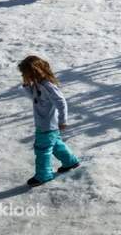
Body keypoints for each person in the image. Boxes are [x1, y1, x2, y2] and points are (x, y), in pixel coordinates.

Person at [19, 55, 81, 187]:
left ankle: (44, 174)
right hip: (44, 123)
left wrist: (63, 120)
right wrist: (26, 86)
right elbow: (34, 98)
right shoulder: (37, 84)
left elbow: (61, 102)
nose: (24, 76)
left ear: (34, 71)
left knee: (42, 149)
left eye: (25, 74)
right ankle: (70, 161)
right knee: (56, 144)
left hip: (48, 124)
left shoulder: (47, 86)